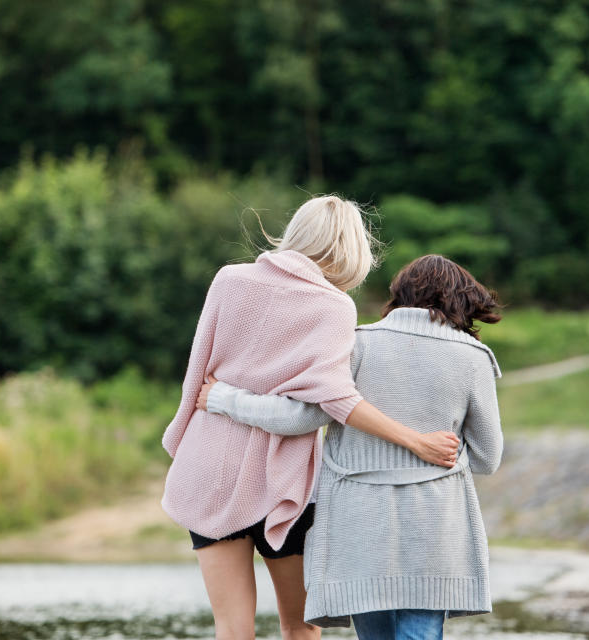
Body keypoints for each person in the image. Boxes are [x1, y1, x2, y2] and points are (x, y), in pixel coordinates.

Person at [160, 196, 461, 640]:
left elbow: (196, 379)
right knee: (301, 628)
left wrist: (199, 424)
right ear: (350, 248)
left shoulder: (228, 280)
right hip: (284, 481)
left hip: (209, 467)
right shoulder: (333, 306)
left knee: (231, 628)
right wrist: (415, 441)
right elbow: (329, 403)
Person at [198, 254, 504, 640]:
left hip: (359, 522)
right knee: (420, 632)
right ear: (461, 299)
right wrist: (433, 454)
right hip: (434, 523)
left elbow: (298, 419)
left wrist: (223, 399)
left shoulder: (355, 345)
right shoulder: (472, 358)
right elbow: (488, 458)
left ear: (400, 295)